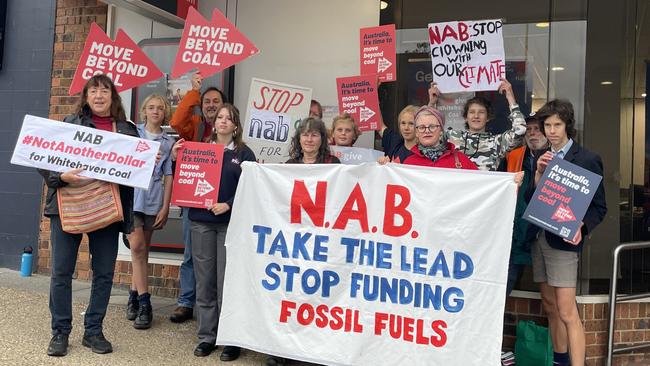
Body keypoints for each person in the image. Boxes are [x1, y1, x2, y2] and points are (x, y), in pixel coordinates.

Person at [41, 74, 139, 356]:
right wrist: (60, 175)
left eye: (104, 90)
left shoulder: (127, 130)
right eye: (93, 90)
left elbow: (137, 169)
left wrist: (149, 160)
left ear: (113, 96)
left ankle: (93, 331)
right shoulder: (69, 125)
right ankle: (60, 332)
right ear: (85, 97)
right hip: (68, 206)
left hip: (108, 209)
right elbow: (40, 158)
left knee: (105, 273)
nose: (98, 95)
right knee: (61, 272)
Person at [533, 99, 607, 366]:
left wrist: (582, 226)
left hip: (564, 241)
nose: (552, 130)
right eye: (547, 125)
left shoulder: (587, 159)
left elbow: (600, 207)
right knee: (549, 305)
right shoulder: (540, 154)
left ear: (567, 126)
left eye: (557, 124)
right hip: (539, 237)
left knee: (567, 310)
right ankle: (560, 361)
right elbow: (535, 197)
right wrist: (539, 173)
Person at [183, 103, 256, 362]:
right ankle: (207, 336)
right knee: (205, 282)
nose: (223, 121)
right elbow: (186, 179)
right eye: (220, 117)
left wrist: (229, 204)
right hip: (201, 222)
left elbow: (252, 189)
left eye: (229, 118)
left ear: (236, 125)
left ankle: (230, 338)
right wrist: (176, 156)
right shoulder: (199, 149)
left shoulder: (245, 154)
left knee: (228, 282)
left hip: (230, 224)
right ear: (214, 123)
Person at [266, 118, 340, 366]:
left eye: (314, 135)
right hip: (295, 242)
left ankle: (315, 349)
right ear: (298, 139)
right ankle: (284, 350)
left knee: (319, 296)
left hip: (322, 241)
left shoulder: (334, 165)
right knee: (292, 294)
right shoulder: (289, 166)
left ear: (322, 139)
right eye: (305, 135)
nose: (309, 139)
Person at [169, 72, 226, 323]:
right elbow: (176, 120)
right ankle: (186, 301)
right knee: (191, 254)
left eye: (216, 102)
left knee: (218, 257)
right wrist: (194, 91)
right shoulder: (195, 127)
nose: (212, 105)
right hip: (194, 202)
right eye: (207, 102)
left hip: (221, 204)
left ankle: (217, 303)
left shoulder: (229, 131)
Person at [125, 94, 175, 329]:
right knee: (136, 247)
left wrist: (166, 206)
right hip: (132, 198)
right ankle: (146, 303)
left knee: (143, 252)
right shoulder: (134, 134)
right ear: (144, 111)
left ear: (165, 112)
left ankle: (133, 296)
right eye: (151, 108)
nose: (156, 111)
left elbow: (168, 175)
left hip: (153, 200)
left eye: (160, 108)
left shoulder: (168, 142)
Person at [500, 114, 550, 295]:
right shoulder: (513, 157)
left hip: (544, 231)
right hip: (516, 231)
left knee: (552, 295)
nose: (532, 133)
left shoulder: (558, 157)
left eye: (537, 129)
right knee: (506, 283)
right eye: (528, 130)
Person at [428, 79, 526, 171]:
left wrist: (510, 96)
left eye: (481, 112)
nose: (476, 116)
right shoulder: (452, 137)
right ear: (466, 117)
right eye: (472, 112)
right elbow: (427, 134)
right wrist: (432, 103)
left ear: (488, 117)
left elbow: (520, 129)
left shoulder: (497, 142)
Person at [380, 105, 478, 169]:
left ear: (441, 131)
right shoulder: (408, 163)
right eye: (422, 127)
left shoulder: (460, 160)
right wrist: (383, 168)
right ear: (417, 132)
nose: (427, 131)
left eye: (432, 126)